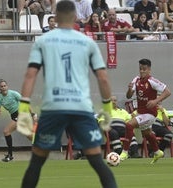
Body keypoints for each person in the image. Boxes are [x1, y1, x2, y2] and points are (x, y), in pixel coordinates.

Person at [18, 1, 117, 187]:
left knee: (36, 163)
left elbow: (30, 75)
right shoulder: (88, 42)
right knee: (97, 161)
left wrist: (23, 108)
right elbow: (103, 78)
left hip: (53, 108)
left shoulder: (43, 41)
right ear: (74, 17)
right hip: (81, 108)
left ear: (55, 17)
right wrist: (107, 109)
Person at [119, 58, 171, 164]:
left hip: (150, 114)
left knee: (129, 125)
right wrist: (129, 89)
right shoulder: (136, 80)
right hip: (141, 112)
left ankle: (124, 152)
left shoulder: (152, 81)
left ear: (149, 70)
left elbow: (167, 92)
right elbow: (128, 96)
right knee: (147, 134)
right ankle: (157, 152)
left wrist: (156, 100)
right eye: (140, 69)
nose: (142, 71)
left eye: (144, 69)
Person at [0, 79, 21, 162]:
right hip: (13, 116)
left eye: (4, 86)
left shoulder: (13, 93)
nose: (3, 87)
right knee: (29, 136)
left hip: (20, 113)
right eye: (1, 86)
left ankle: (10, 155)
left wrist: (32, 114)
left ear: (7, 86)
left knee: (6, 131)